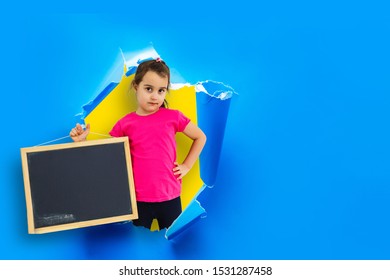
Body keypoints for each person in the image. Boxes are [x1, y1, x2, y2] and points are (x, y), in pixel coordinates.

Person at [70, 58, 206, 230]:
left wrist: (187, 165)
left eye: (161, 90)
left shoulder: (173, 117)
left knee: (171, 243)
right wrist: (83, 142)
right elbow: (107, 155)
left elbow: (200, 137)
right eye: (149, 89)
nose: (155, 96)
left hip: (170, 197)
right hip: (138, 200)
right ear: (136, 86)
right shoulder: (125, 124)